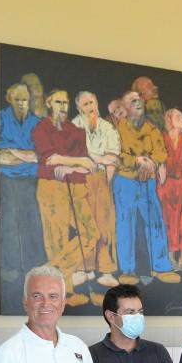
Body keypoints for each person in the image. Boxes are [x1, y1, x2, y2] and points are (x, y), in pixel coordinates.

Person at [31, 88, 105, 307]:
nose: (62, 107)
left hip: (77, 187)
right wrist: (76, 162)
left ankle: (49, 272)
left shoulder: (76, 131)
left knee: (91, 234)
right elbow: (50, 159)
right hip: (51, 187)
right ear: (48, 103)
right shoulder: (41, 128)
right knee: (57, 239)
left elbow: (89, 165)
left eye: (65, 103)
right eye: (57, 102)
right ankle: (65, 292)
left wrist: (69, 164)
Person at [114, 91, 179, 286]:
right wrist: (137, 161)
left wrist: (150, 162)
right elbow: (115, 155)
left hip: (148, 182)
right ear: (125, 108)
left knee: (155, 222)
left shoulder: (152, 128)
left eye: (139, 99)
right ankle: (127, 270)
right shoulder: (117, 129)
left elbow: (161, 152)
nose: (139, 103)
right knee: (126, 224)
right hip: (125, 181)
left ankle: (161, 267)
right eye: (133, 101)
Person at [0, 82, 44, 312]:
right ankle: (10, 268)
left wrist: (12, 152)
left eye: (25, 99)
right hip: (6, 179)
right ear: (9, 98)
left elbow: (39, 155)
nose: (21, 103)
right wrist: (24, 155)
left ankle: (32, 268)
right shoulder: (0, 119)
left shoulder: (36, 123)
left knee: (31, 222)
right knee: (8, 222)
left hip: (30, 180)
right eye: (17, 99)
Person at [71, 90, 122, 285]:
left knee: (104, 225)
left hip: (102, 179)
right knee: (84, 225)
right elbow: (76, 157)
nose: (90, 107)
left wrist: (93, 158)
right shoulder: (74, 126)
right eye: (85, 105)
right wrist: (98, 158)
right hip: (79, 179)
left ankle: (105, 270)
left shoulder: (107, 127)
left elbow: (113, 158)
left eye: (92, 102)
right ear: (78, 108)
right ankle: (85, 268)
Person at [159, 107, 182, 272]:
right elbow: (160, 163)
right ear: (170, 120)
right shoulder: (162, 138)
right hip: (167, 184)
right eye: (179, 116)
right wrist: (162, 183)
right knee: (169, 220)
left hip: (181, 184)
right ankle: (170, 259)